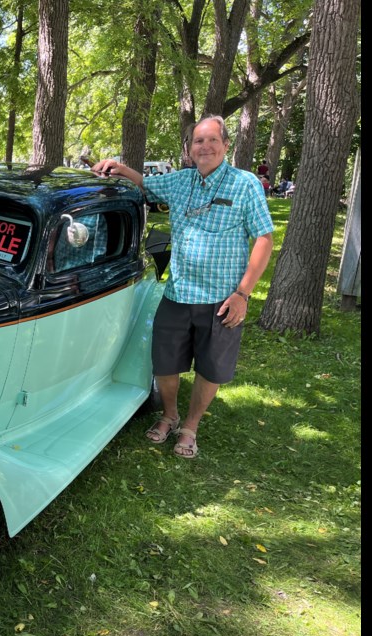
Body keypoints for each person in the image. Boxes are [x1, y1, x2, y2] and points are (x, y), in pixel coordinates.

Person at [90, 115, 274, 459]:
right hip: (177, 293)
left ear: (225, 145)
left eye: (211, 140)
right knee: (165, 363)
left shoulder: (244, 184)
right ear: (189, 149)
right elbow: (144, 184)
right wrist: (117, 167)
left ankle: (190, 425)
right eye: (197, 141)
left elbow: (264, 238)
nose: (204, 147)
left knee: (210, 368)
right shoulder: (180, 181)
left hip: (222, 299)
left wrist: (242, 294)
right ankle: (170, 415)